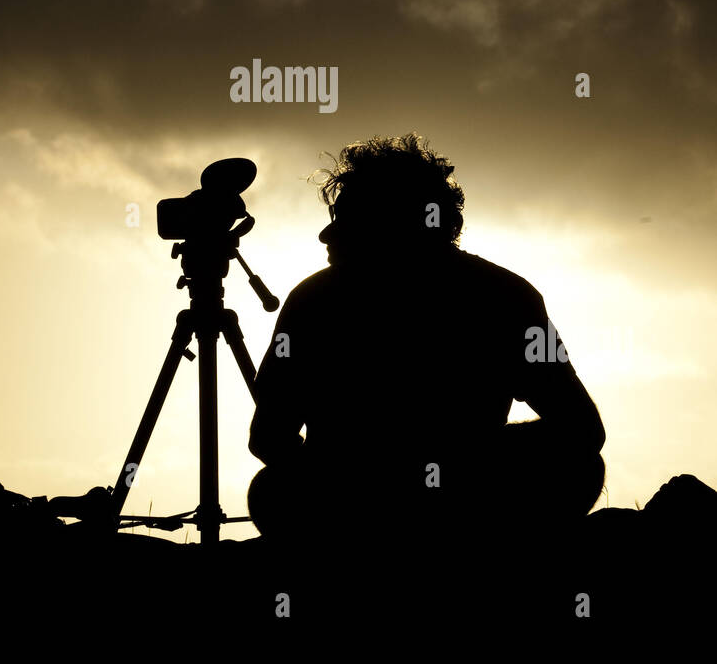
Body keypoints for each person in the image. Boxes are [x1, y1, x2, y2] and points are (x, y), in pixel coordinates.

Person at [246, 134, 605, 546]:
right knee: (580, 465)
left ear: (393, 223)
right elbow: (582, 430)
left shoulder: (311, 300)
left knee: (274, 489)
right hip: (464, 502)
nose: (328, 237)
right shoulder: (505, 294)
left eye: (349, 221)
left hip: (356, 510)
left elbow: (269, 439)